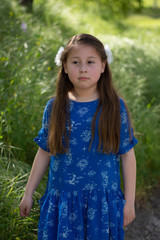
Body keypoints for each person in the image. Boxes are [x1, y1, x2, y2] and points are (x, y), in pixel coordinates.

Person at [19, 33, 138, 240]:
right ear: (64, 66)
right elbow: (45, 152)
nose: (83, 68)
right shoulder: (55, 107)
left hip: (102, 202)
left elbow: (127, 156)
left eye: (90, 62)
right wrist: (28, 193)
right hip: (63, 200)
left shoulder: (114, 107)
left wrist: (130, 201)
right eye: (76, 62)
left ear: (103, 65)